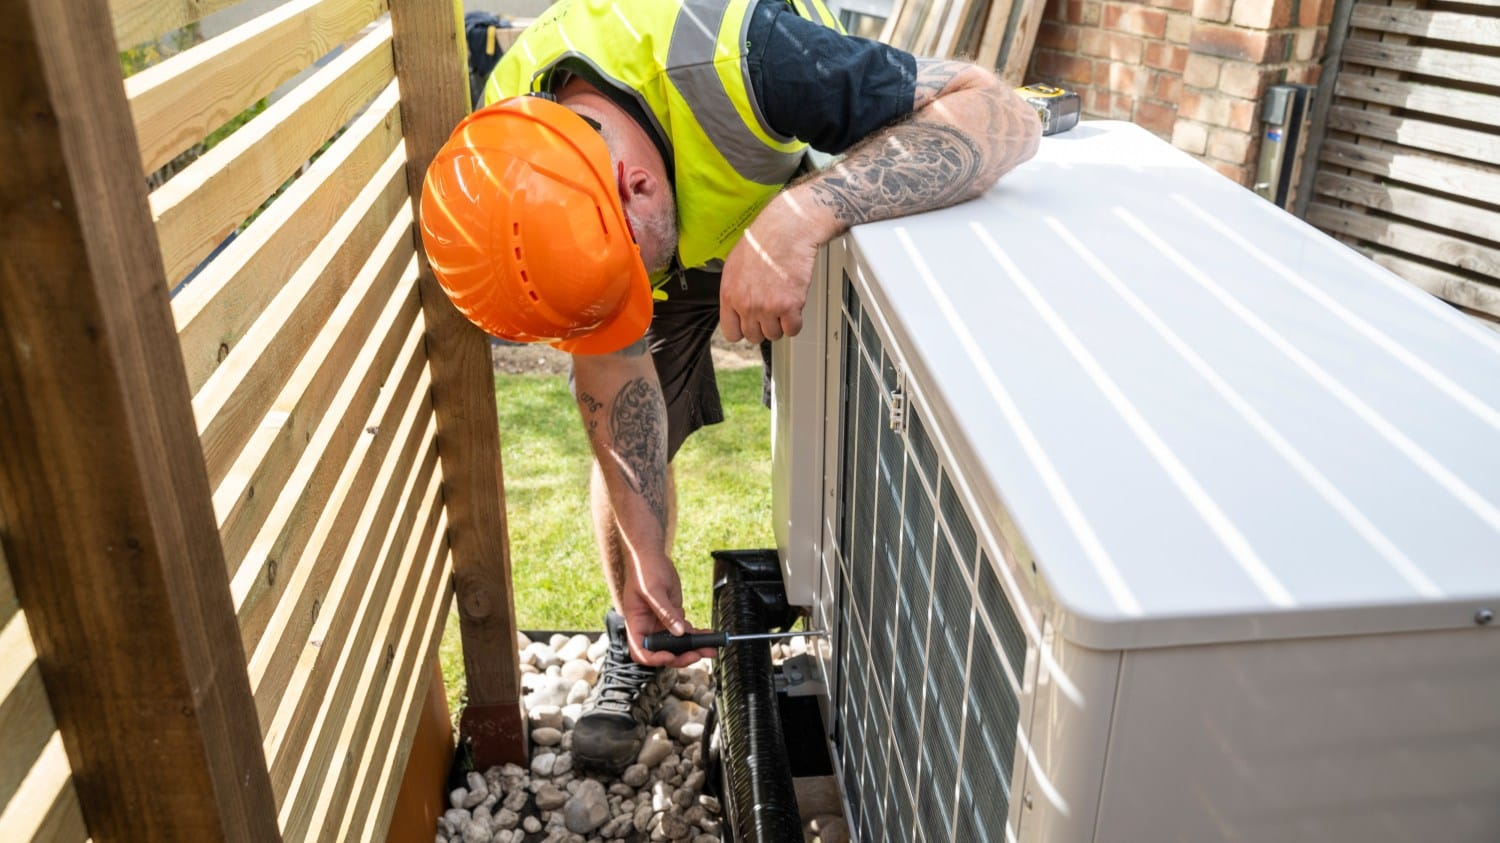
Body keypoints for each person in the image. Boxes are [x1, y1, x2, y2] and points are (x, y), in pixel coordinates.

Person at [420, 0, 1041, 773]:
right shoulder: (518, 160)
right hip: (666, 213)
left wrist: (800, 214)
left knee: (831, 427)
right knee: (633, 435)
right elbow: (613, 377)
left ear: (635, 184)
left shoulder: (750, 59)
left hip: (783, 188)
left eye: (626, 284)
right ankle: (633, 636)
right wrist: (645, 558)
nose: (629, 310)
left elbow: (1002, 113)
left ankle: (853, 637)